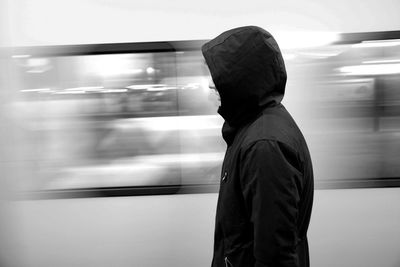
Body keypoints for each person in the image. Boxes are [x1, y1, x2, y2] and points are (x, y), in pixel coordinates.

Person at [201, 26, 314, 267]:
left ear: (243, 78)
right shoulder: (253, 127)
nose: (211, 85)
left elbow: (275, 256)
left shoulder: (265, 145)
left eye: (219, 75)